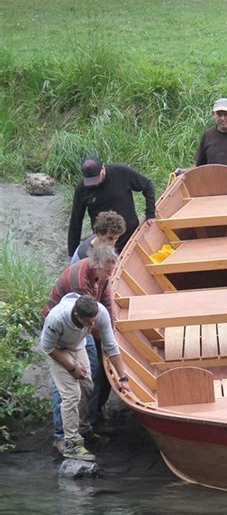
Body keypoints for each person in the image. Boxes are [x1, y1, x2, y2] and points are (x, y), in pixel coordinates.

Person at [45, 245, 118, 450]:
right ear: (97, 267)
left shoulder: (101, 276)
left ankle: (85, 427)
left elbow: (104, 304)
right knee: (67, 388)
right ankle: (62, 436)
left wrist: (110, 330)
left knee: (89, 378)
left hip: (81, 328)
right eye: (108, 272)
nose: (110, 275)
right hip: (61, 331)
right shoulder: (79, 282)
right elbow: (88, 318)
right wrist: (71, 366)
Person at [41, 294, 130, 462]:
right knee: (71, 395)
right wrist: (72, 367)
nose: (93, 325)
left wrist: (123, 378)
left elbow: (110, 346)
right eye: (89, 322)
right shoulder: (56, 319)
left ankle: (82, 430)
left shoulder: (100, 313)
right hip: (57, 351)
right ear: (77, 315)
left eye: (95, 320)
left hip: (78, 346)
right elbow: (47, 348)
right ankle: (71, 444)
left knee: (88, 387)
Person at [67, 157, 156, 257]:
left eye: (96, 179)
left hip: (130, 235)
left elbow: (147, 185)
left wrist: (150, 213)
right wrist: (72, 253)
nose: (94, 183)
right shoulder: (82, 188)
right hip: (104, 242)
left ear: (103, 169)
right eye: (90, 181)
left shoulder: (121, 172)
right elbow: (76, 221)